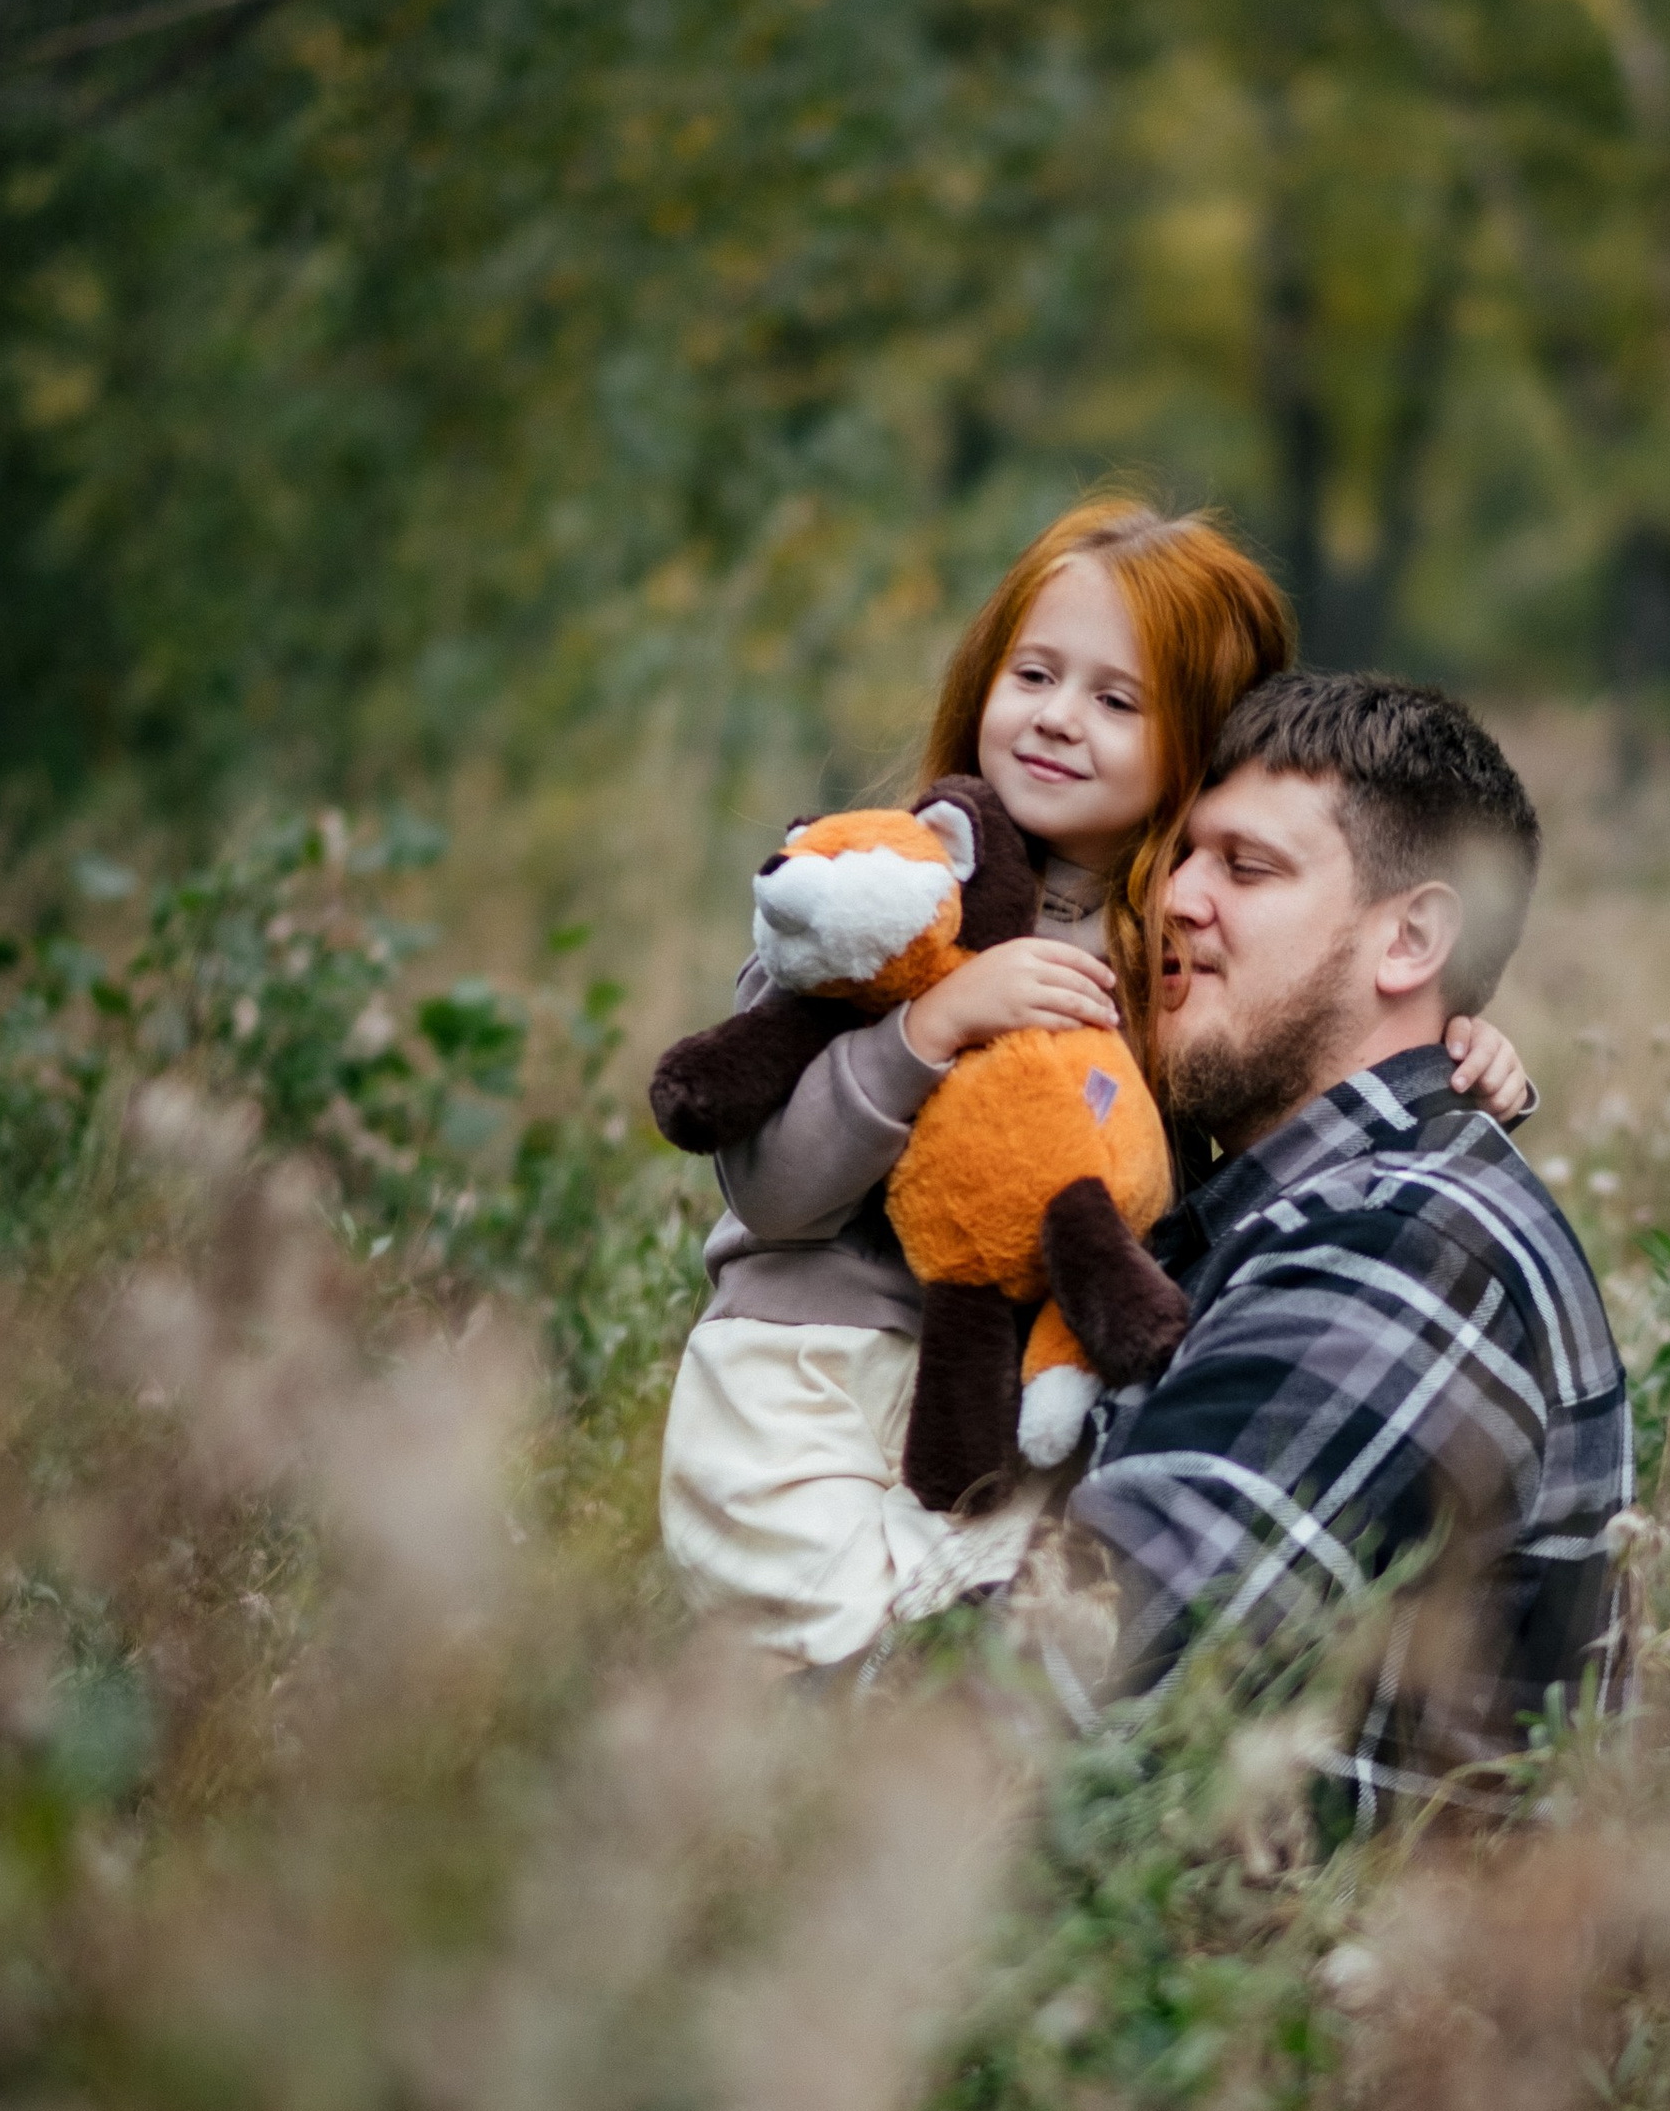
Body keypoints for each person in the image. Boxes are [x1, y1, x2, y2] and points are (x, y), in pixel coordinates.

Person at [657, 501, 1533, 1668]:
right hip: (808, 1377)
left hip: (1007, 1416)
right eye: (1034, 674)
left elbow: (1267, 1086)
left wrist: (1464, 1054)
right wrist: (924, 1029)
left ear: (1200, 746)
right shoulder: (887, 887)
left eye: (1118, 702)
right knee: (839, 1688)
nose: (1059, 720)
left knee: (984, 1679)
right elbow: (768, 1193)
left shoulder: (1166, 950)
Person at [1067, 669, 1632, 1826]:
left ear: (1410, 937)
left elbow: (1092, 1663)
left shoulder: (1413, 1244)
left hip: (1290, 1996)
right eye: (1178, 856)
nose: (1172, 897)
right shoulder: (1244, 1208)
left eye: (1246, 867)